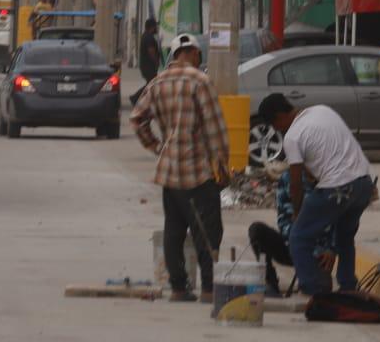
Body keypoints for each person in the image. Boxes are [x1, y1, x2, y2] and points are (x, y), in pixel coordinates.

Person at [130, 32, 228, 302]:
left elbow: (137, 119)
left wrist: (157, 147)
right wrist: (222, 166)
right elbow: (215, 128)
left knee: (174, 230)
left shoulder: (158, 82)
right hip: (198, 171)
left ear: (173, 55)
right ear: (195, 53)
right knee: (207, 231)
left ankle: (178, 287)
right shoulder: (200, 81)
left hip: (169, 171)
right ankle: (208, 288)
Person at [256, 93, 376, 299]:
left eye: (276, 126)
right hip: (364, 183)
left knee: (298, 237)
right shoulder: (323, 110)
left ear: (279, 117)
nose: (279, 131)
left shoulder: (293, 136)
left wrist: (297, 214)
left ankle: (314, 290)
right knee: (345, 238)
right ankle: (348, 287)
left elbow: (295, 184)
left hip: (338, 187)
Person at [248, 167, 333, 297]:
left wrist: (330, 248)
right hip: (291, 245)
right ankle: (271, 283)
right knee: (257, 230)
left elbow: (336, 220)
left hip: (317, 252)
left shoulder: (330, 179)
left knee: (319, 293)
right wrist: (296, 241)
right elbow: (283, 218)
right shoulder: (288, 177)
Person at [130, 18, 162, 106]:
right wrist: (156, 61)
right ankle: (135, 98)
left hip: (146, 65)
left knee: (151, 84)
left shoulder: (146, 36)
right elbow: (151, 51)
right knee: (151, 84)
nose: (157, 28)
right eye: (155, 26)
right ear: (152, 27)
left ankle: (139, 98)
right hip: (148, 66)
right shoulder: (149, 38)